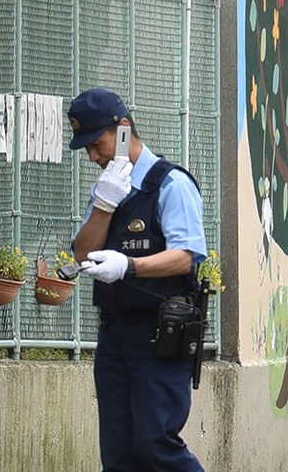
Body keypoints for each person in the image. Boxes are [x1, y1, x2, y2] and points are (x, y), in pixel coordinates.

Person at [69, 88, 207, 472]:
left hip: (159, 333)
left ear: (124, 129)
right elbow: (82, 253)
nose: (93, 157)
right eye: (87, 150)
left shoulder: (170, 184)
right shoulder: (107, 189)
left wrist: (128, 266)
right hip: (114, 335)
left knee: (155, 445)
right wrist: (104, 205)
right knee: (118, 454)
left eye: (97, 144)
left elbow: (185, 256)